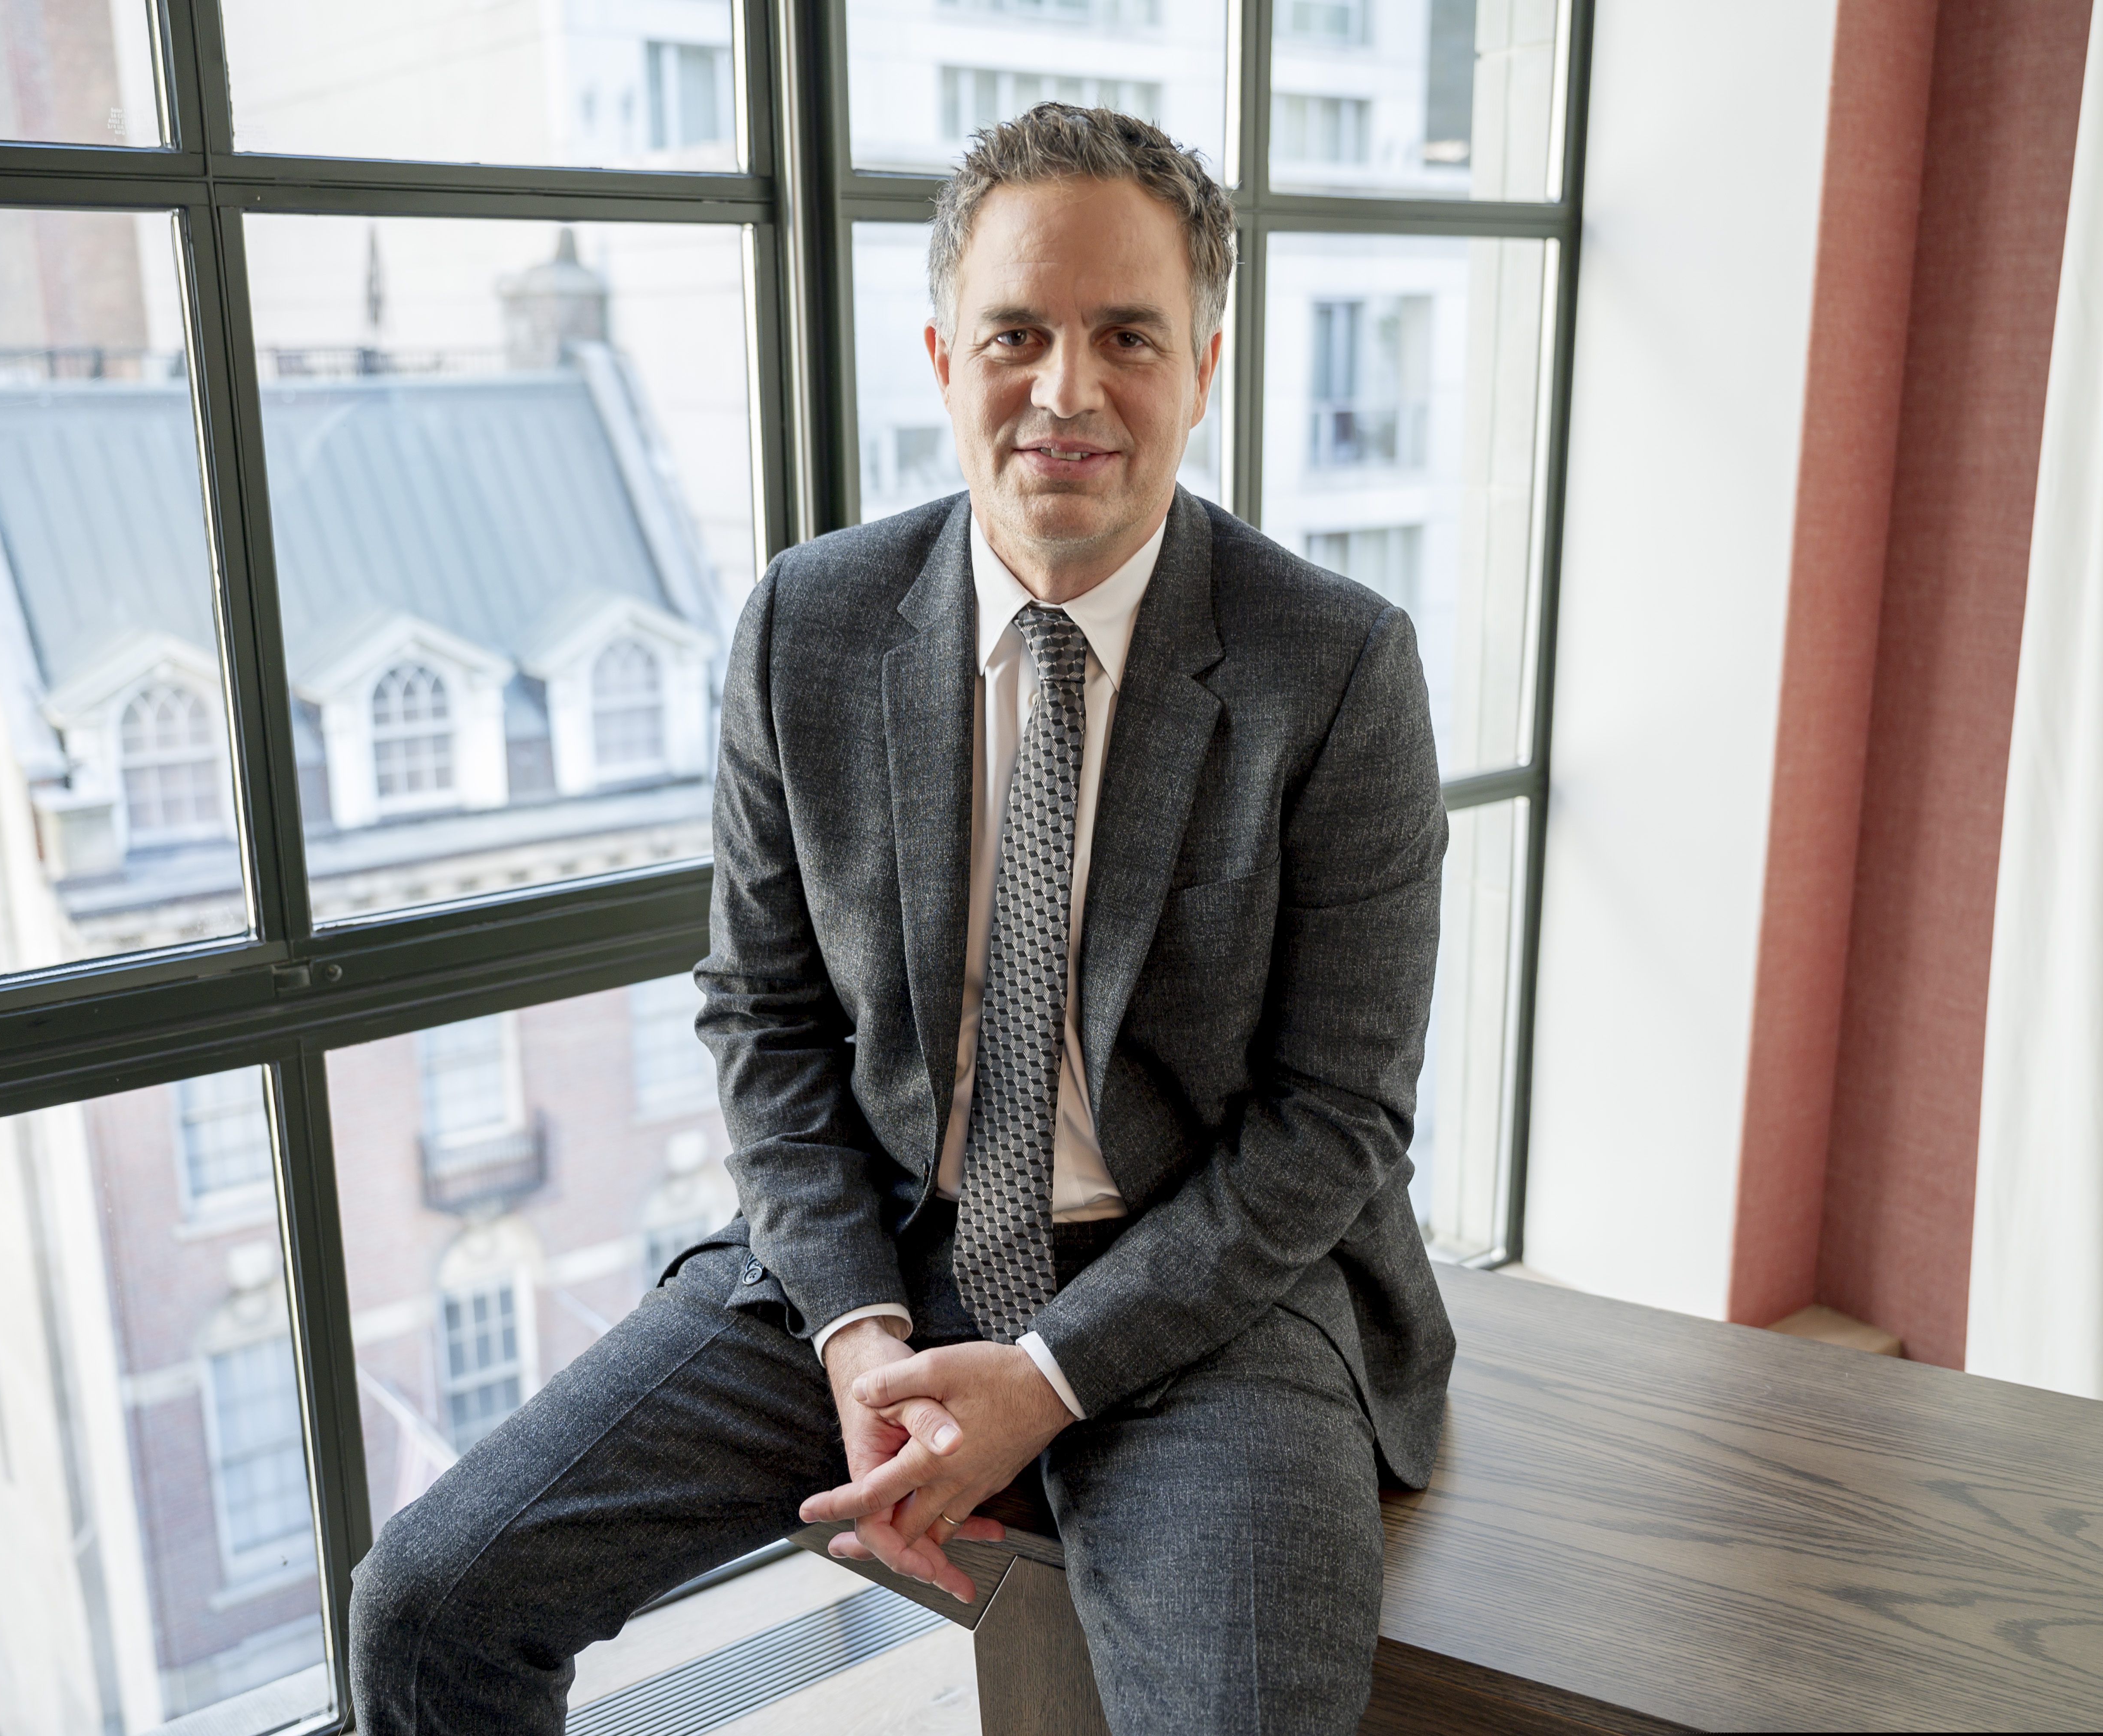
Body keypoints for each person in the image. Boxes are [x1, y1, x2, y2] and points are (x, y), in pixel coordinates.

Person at [347, 102, 1454, 1735]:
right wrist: (859, 1333)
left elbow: (1335, 1120)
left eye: (1127, 337)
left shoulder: (1339, 665)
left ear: (1203, 369)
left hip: (1207, 1286)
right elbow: (765, 1020)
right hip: (874, 1253)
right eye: (1018, 332)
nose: (1066, 391)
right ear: (944, 356)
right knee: (426, 1610)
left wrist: (1050, 1379)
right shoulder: (811, 621)